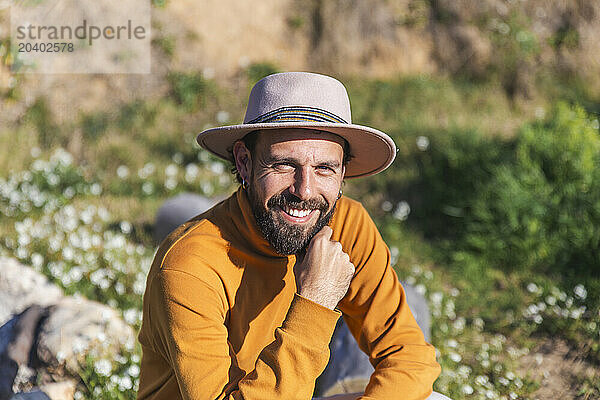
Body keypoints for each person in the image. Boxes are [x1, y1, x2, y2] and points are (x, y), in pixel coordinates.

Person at [137, 72, 446, 399]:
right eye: (284, 165)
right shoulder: (189, 266)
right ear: (244, 163)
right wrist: (315, 301)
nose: (305, 190)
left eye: (325, 168)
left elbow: (410, 356)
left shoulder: (348, 224)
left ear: (343, 173)